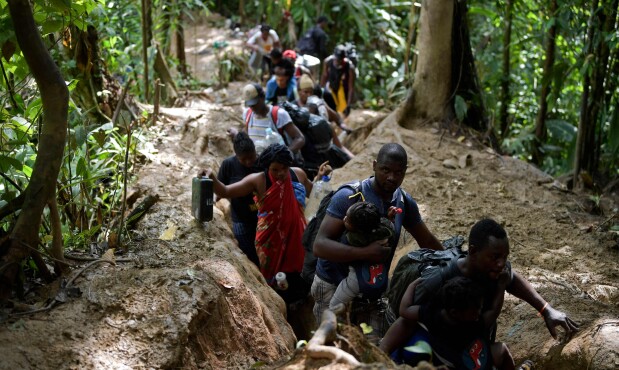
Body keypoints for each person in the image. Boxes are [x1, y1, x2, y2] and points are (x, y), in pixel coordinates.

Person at [383, 219, 579, 365]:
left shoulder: (495, 271)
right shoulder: (439, 278)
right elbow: (406, 319)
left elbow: (511, 277)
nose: (502, 263)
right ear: (474, 252)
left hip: (468, 346)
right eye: (495, 257)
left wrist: (545, 309)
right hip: (431, 347)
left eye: (504, 257)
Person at [311, 143, 443, 336]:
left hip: (370, 290)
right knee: (331, 343)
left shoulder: (403, 202)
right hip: (332, 283)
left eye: (398, 172)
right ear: (374, 165)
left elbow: (427, 241)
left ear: (405, 171)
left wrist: (455, 263)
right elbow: (319, 246)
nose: (391, 177)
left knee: (372, 353)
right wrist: (365, 253)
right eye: (385, 170)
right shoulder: (349, 196)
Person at [200, 144, 319, 287]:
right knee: (274, 277)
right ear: (267, 167)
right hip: (270, 239)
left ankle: (300, 297)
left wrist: (321, 178)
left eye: (284, 169)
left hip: (296, 233)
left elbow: (315, 194)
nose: (280, 173)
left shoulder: (298, 174)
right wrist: (212, 177)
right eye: (275, 170)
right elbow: (226, 191)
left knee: (298, 269)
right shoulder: (258, 180)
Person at [381, 276, 516, 370]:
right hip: (459, 362)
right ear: (455, 312)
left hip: (448, 358)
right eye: (475, 311)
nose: (479, 314)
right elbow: (493, 312)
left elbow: (405, 310)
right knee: (502, 349)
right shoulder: (473, 325)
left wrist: (411, 286)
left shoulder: (432, 314)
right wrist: (501, 285)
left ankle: (381, 351)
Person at [328, 202, 396, 311]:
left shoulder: (351, 239)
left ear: (358, 230)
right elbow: (389, 225)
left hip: (356, 279)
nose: (344, 219)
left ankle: (335, 323)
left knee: (334, 306)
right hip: (380, 273)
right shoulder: (386, 231)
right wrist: (388, 218)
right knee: (387, 298)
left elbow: (338, 251)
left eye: (348, 221)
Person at [216, 132, 260, 267]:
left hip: (263, 217)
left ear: (255, 152)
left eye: (251, 157)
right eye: (243, 159)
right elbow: (219, 188)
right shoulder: (228, 165)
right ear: (236, 156)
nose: (248, 162)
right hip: (241, 218)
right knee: (249, 253)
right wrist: (212, 201)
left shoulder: (262, 162)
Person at [228, 83, 305, 156]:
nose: (252, 107)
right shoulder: (247, 114)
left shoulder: (278, 114)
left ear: (263, 97)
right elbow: (247, 135)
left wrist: (285, 154)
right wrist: (237, 135)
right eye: (250, 104)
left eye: (255, 103)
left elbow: (300, 138)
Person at [320, 45, 356, 118]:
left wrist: (348, 105)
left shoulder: (349, 67)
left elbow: (351, 87)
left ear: (343, 58)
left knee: (343, 111)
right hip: (331, 88)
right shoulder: (328, 62)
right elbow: (324, 77)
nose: (337, 61)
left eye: (340, 59)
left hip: (343, 90)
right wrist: (320, 94)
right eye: (336, 59)